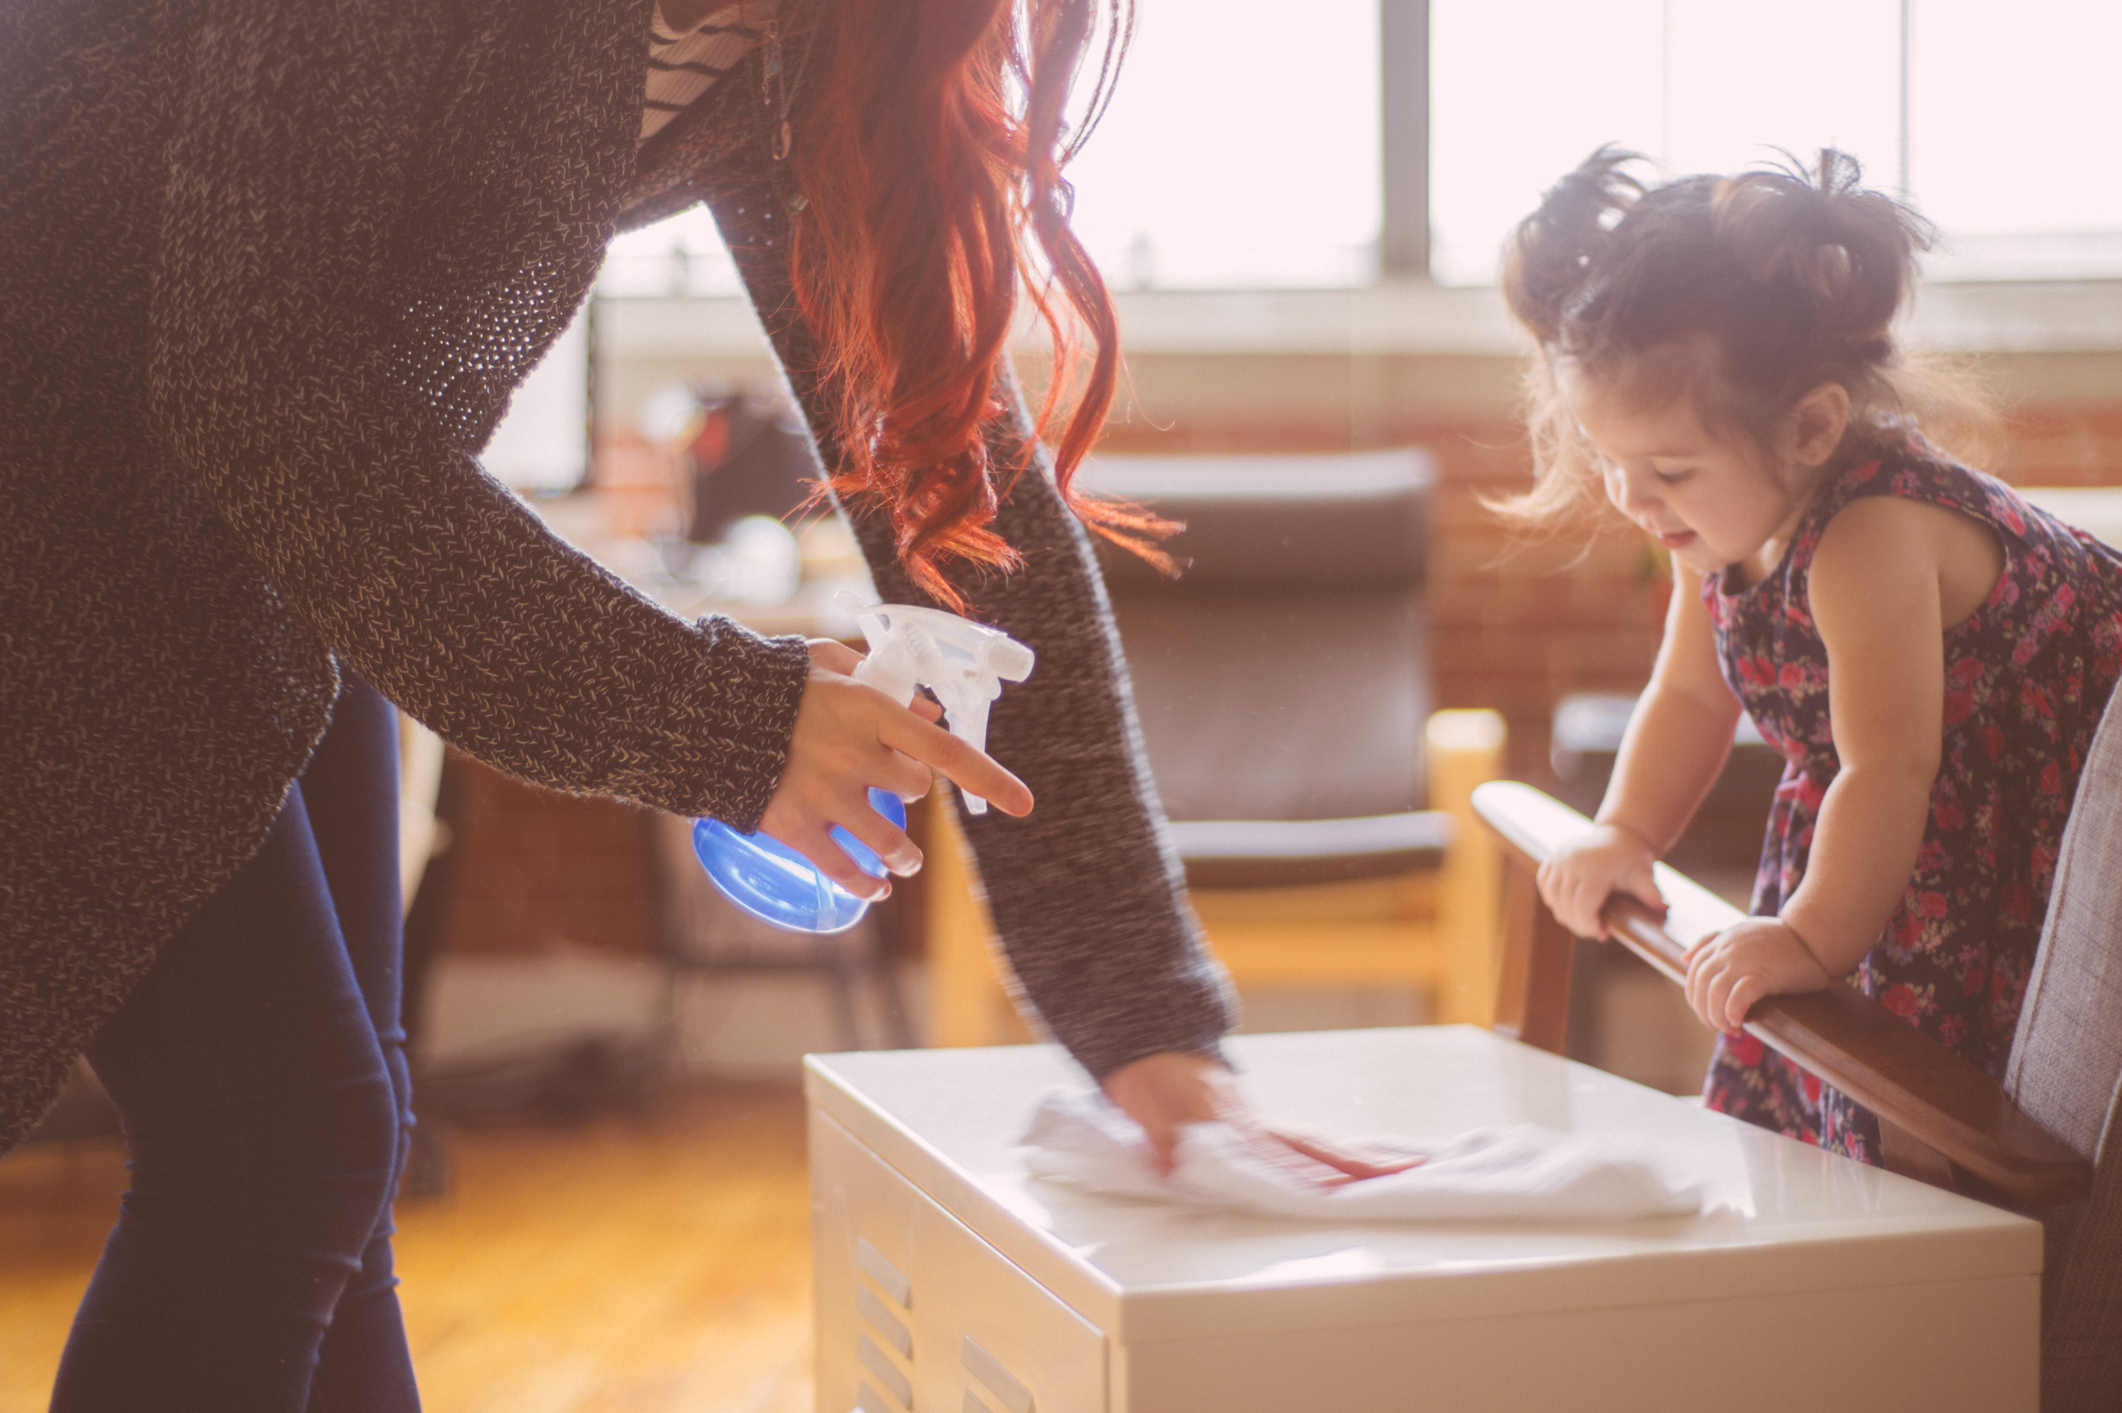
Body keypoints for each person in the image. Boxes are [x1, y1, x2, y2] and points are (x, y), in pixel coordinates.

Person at [2, 0, 1377, 1406]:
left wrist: (1147, 1023)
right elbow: (262, 378)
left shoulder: (809, 48)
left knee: (331, 1170)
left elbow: (967, 512)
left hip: (245, 534)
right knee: (275, 1151)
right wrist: (730, 719)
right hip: (54, 494)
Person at [1504, 148, 2122, 1164]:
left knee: (1935, 1118)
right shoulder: (1711, 529)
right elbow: (1687, 697)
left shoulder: (1871, 533)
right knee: (1809, 1088)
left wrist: (1807, 941)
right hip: (1894, 821)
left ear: (1810, 427)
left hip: (2030, 814)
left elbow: (1892, 765)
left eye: (1666, 468)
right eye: (1609, 460)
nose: (1631, 498)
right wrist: (1625, 834)